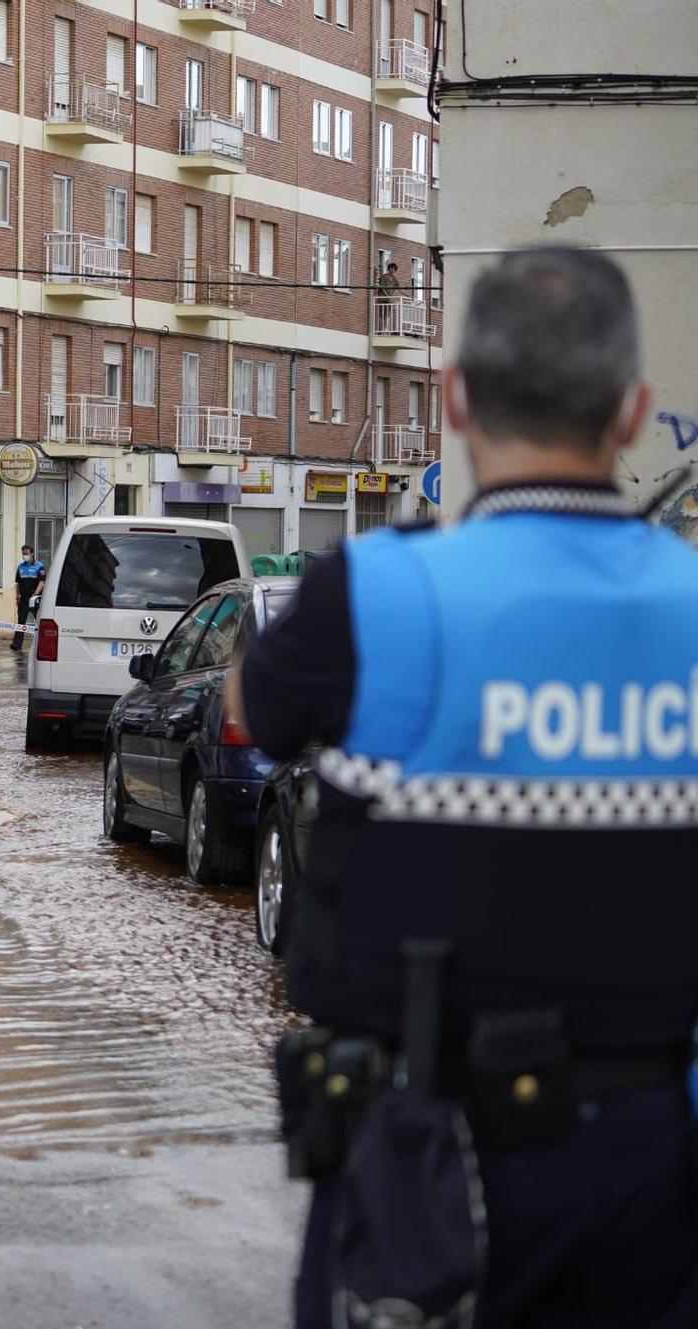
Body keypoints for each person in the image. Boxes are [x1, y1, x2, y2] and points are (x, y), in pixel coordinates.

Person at [231, 247, 698, 1327]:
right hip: (656, 1162)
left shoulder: (378, 593)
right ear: (629, 414)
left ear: (454, 397)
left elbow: (254, 707)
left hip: (426, 1168)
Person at [7, 544, 46, 652]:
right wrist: (17, 597)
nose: (25, 556)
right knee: (21, 621)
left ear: (32, 554)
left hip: (35, 596)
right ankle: (17, 644)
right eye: (23, 554)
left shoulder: (39, 566)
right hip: (23, 597)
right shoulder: (20, 567)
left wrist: (35, 594)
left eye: (27, 554)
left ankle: (41, 644)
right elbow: (18, 584)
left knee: (38, 621)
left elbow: (42, 582)